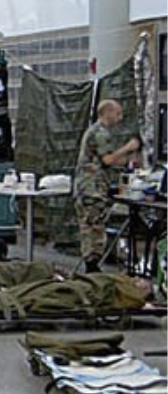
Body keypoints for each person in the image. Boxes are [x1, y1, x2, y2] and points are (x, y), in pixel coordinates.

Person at [74, 99, 141, 272]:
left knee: (89, 227)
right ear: (107, 113)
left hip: (88, 187)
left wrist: (129, 160)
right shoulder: (100, 133)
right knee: (93, 228)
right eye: (117, 113)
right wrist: (127, 147)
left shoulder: (96, 131)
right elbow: (108, 160)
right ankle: (92, 267)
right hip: (92, 188)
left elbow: (107, 160)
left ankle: (91, 265)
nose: (120, 118)